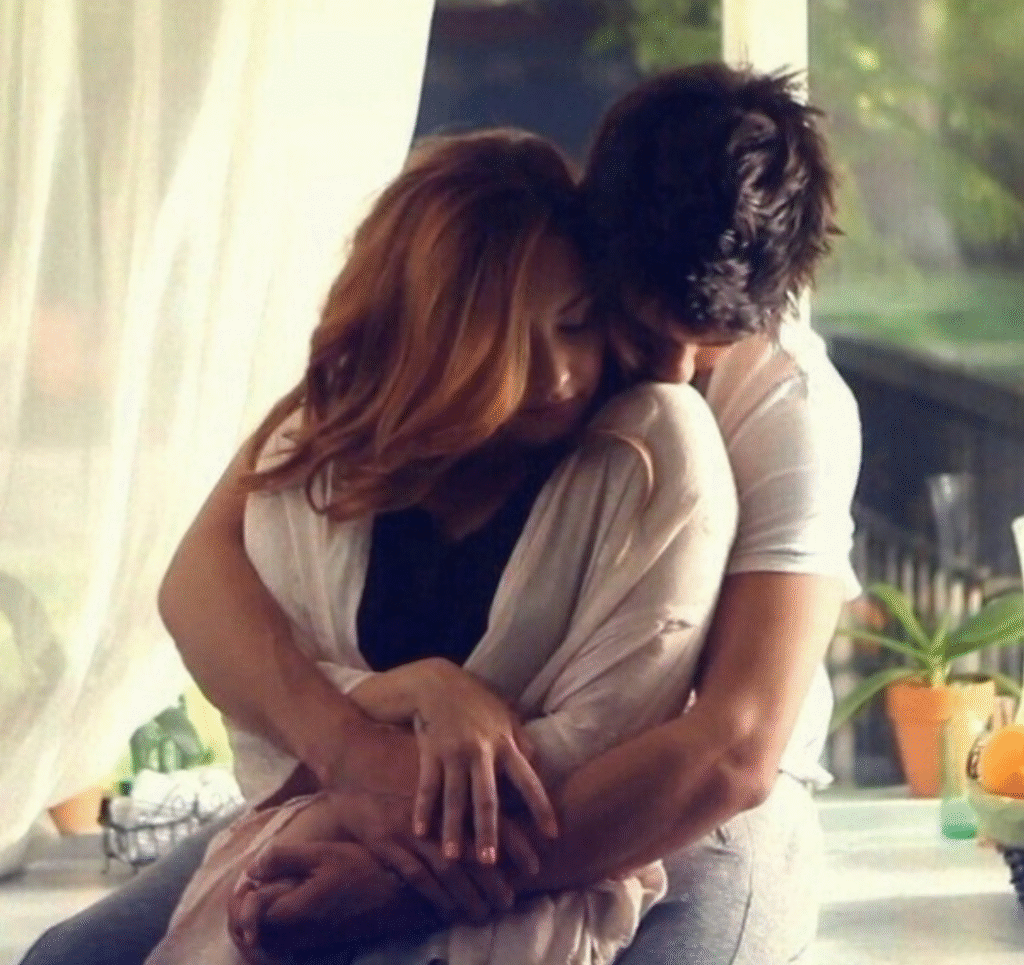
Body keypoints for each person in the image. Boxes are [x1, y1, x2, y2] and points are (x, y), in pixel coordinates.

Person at [22, 63, 860, 965]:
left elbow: (732, 750)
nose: (669, 369)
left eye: (708, 344)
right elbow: (201, 573)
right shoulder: (519, 312)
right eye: (638, 322)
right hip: (423, 781)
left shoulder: (790, 410)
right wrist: (353, 751)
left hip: (694, 809)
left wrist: (400, 884)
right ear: (593, 229)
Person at [141, 127, 738, 965]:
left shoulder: (648, 453)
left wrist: (385, 835)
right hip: (309, 825)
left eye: (574, 325)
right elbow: (212, 620)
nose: (558, 376)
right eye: (507, 343)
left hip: (561, 861)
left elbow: (611, 738)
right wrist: (403, 703)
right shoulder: (324, 445)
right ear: (427, 338)